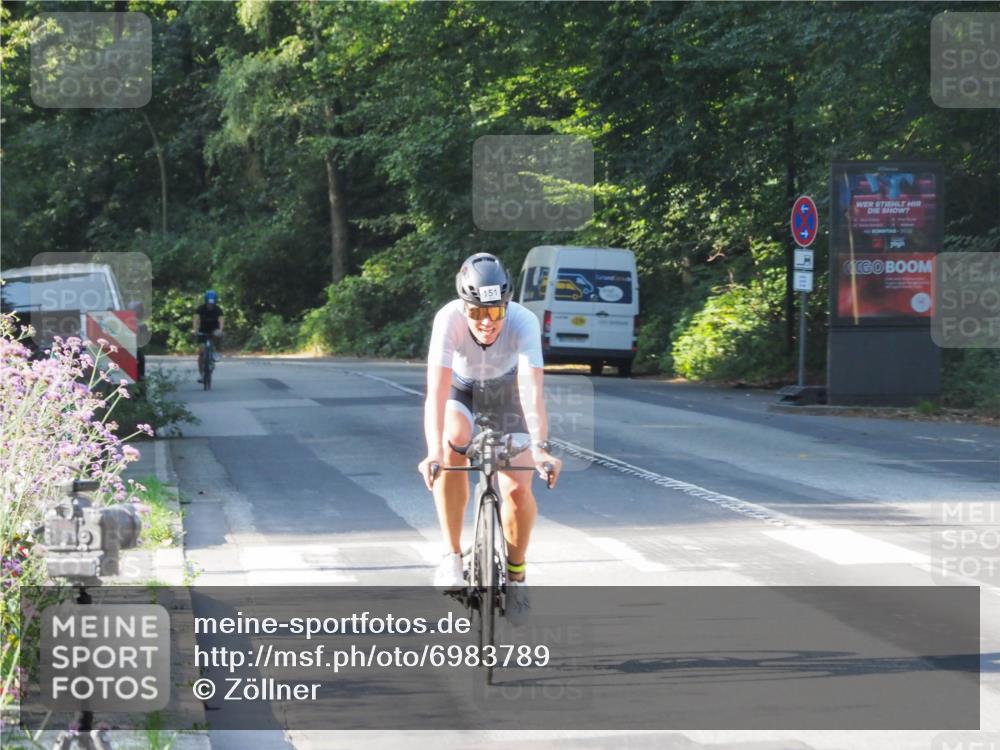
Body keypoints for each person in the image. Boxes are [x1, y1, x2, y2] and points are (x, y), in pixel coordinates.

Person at [417, 253, 562, 623]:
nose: (486, 322)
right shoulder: (448, 318)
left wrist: (541, 448)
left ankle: (516, 577)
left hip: (508, 394)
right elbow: (437, 392)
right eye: (476, 312)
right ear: (463, 307)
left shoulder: (524, 321)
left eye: (495, 312)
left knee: (517, 487)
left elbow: (532, 390)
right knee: (454, 445)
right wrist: (434, 451)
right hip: (462, 391)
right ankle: (452, 556)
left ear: (507, 305)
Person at [192, 290, 224, 382]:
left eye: (212, 304)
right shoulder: (200, 309)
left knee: (218, 334)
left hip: (214, 330)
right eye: (209, 303)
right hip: (203, 331)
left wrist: (221, 330)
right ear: (205, 302)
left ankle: (214, 352)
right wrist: (195, 330)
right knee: (201, 353)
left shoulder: (218, 310)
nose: (210, 306)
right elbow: (196, 319)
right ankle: (202, 374)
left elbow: (221, 321)